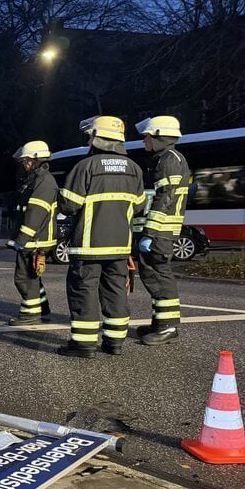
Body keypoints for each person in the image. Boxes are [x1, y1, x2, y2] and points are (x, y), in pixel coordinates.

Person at [57, 116, 145, 358]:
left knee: (84, 290)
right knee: (116, 290)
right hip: (119, 247)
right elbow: (138, 206)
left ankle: (83, 345)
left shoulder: (86, 166)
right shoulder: (134, 169)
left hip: (88, 246)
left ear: (96, 137)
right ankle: (114, 342)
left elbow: (68, 205)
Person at [133, 116, 190, 345]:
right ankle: (160, 322)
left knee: (159, 276)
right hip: (159, 230)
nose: (145, 140)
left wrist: (150, 231)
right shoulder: (163, 159)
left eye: (147, 136)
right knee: (152, 274)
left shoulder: (169, 160)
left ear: (159, 136)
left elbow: (166, 197)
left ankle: (168, 327)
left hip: (160, 231)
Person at [7, 140, 58, 325]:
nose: (24, 163)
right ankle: (42, 307)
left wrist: (22, 239)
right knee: (33, 277)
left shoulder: (43, 181)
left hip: (35, 240)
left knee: (24, 278)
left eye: (27, 160)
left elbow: (35, 214)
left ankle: (30, 314)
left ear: (37, 160)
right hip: (35, 239)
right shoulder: (37, 179)